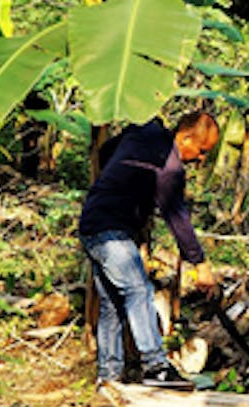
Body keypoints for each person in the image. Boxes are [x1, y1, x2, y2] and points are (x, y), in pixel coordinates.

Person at [79, 111, 220, 388]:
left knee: (112, 303)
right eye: (201, 151)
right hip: (111, 232)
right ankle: (156, 368)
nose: (201, 159)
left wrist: (126, 186)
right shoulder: (169, 165)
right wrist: (200, 264)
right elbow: (177, 217)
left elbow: (107, 150)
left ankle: (108, 377)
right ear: (186, 137)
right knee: (138, 291)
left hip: (91, 223)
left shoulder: (144, 132)